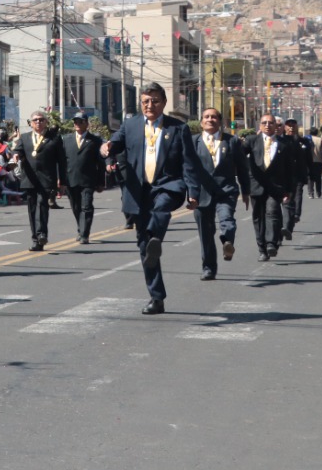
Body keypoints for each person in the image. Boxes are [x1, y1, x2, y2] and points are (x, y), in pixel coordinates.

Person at [102, 83, 195, 315]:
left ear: (163, 103)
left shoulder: (178, 128)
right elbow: (115, 142)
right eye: (145, 101)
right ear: (140, 103)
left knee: (161, 208)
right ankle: (156, 297)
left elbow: (189, 163)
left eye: (154, 101)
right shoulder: (130, 125)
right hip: (140, 190)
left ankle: (155, 236)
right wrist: (106, 148)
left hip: (169, 184)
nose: (150, 105)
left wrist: (193, 192)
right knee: (145, 248)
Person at [187, 107, 248, 280]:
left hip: (226, 191)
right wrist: (189, 193)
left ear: (220, 121)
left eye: (214, 117)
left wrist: (246, 191)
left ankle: (227, 242)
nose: (210, 119)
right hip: (201, 194)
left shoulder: (232, 141)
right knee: (205, 233)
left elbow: (242, 167)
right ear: (201, 122)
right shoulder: (193, 142)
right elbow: (187, 169)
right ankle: (208, 268)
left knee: (227, 219)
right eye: (206, 117)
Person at [245, 115, 297, 261]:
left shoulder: (284, 144)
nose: (267, 125)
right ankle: (262, 248)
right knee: (258, 218)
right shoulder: (252, 141)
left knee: (272, 212)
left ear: (276, 126)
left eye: (271, 123)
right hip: (256, 186)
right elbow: (239, 157)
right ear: (260, 126)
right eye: (264, 123)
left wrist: (289, 190)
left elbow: (290, 169)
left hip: (276, 187)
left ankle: (271, 244)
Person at [12, 111, 64, 252]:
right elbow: (17, 150)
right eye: (35, 120)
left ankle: (41, 234)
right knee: (32, 209)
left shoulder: (54, 138)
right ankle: (36, 240)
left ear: (46, 122)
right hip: (30, 179)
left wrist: (62, 180)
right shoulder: (24, 137)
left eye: (41, 120)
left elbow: (61, 161)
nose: (38, 122)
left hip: (46, 179)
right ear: (31, 123)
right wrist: (16, 155)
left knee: (42, 205)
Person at [59, 112, 104, 244]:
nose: (77, 124)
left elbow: (100, 163)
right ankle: (81, 228)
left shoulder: (95, 140)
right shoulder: (66, 139)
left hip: (88, 180)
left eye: (80, 121)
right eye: (75, 122)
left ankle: (85, 234)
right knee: (76, 206)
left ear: (86, 123)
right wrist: (60, 179)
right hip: (70, 179)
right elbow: (61, 161)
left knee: (87, 206)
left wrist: (101, 182)